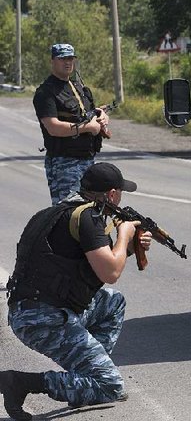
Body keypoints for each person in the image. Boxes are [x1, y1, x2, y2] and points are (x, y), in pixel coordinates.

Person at [1, 162, 152, 420]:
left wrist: (127, 248)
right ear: (113, 194)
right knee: (111, 386)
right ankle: (22, 382)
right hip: (43, 320)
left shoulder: (58, 212)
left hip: (34, 311)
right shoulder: (88, 218)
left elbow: (89, 270)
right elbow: (110, 273)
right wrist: (124, 236)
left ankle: (85, 380)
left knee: (112, 303)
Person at [33, 43, 110, 205]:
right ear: (52, 61)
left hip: (87, 159)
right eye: (62, 59)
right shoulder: (45, 93)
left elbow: (86, 112)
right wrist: (88, 127)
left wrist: (101, 116)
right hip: (64, 162)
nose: (67, 63)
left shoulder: (77, 87)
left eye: (70, 58)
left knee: (91, 211)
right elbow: (53, 127)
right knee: (68, 213)